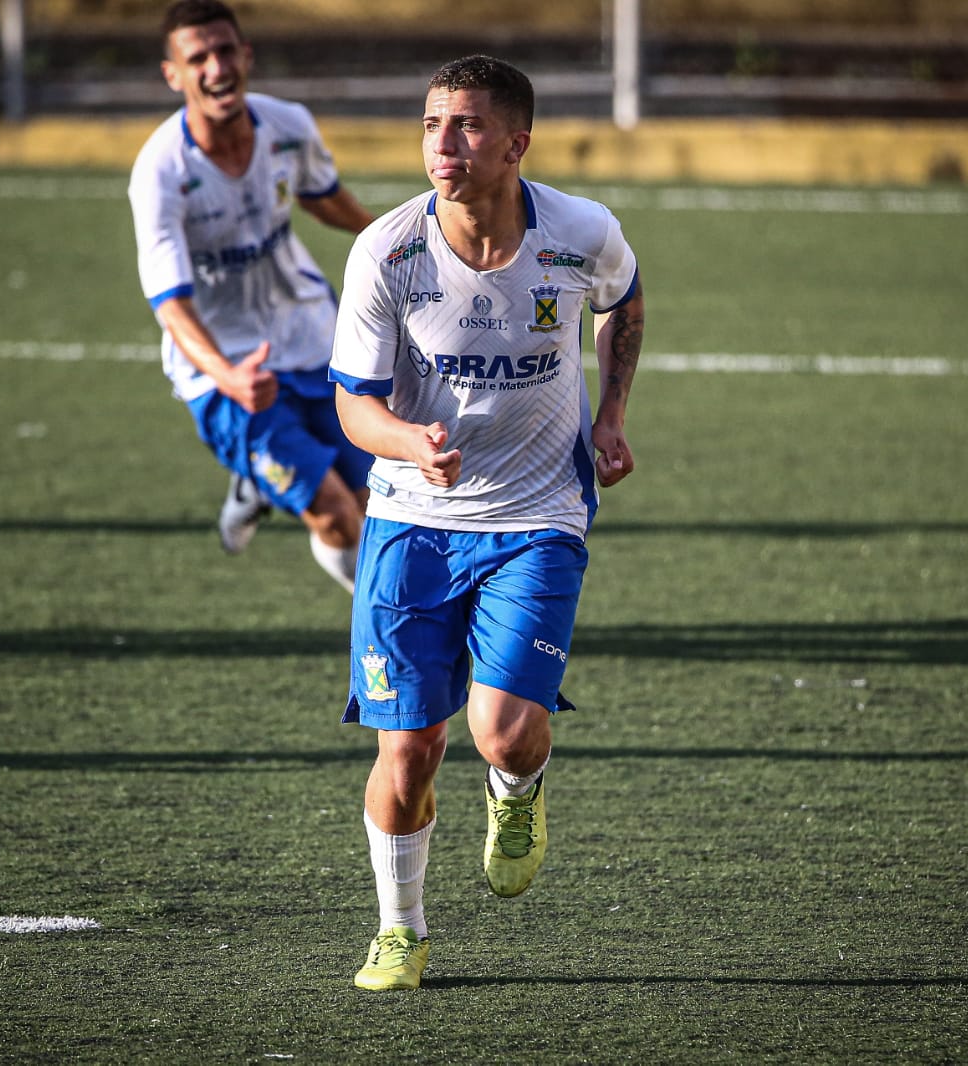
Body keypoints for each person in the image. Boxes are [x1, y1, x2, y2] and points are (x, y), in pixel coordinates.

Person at [328, 54, 645, 990]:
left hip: (538, 513)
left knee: (502, 733)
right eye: (432, 124)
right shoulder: (387, 250)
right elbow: (353, 406)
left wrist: (613, 416)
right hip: (410, 521)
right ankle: (401, 932)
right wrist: (406, 442)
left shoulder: (580, 232)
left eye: (465, 126)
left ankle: (517, 788)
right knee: (410, 746)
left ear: (516, 144)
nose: (442, 143)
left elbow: (622, 303)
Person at [128, 0, 374, 591]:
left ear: (246, 56)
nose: (216, 67)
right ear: (175, 75)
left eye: (225, 51)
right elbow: (170, 303)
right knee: (340, 518)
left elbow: (322, 194)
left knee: (383, 507)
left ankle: (255, 483)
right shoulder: (161, 171)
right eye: (198, 57)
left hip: (316, 338)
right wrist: (228, 377)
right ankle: (390, 637)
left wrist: (391, 239)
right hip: (228, 372)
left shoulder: (288, 127)